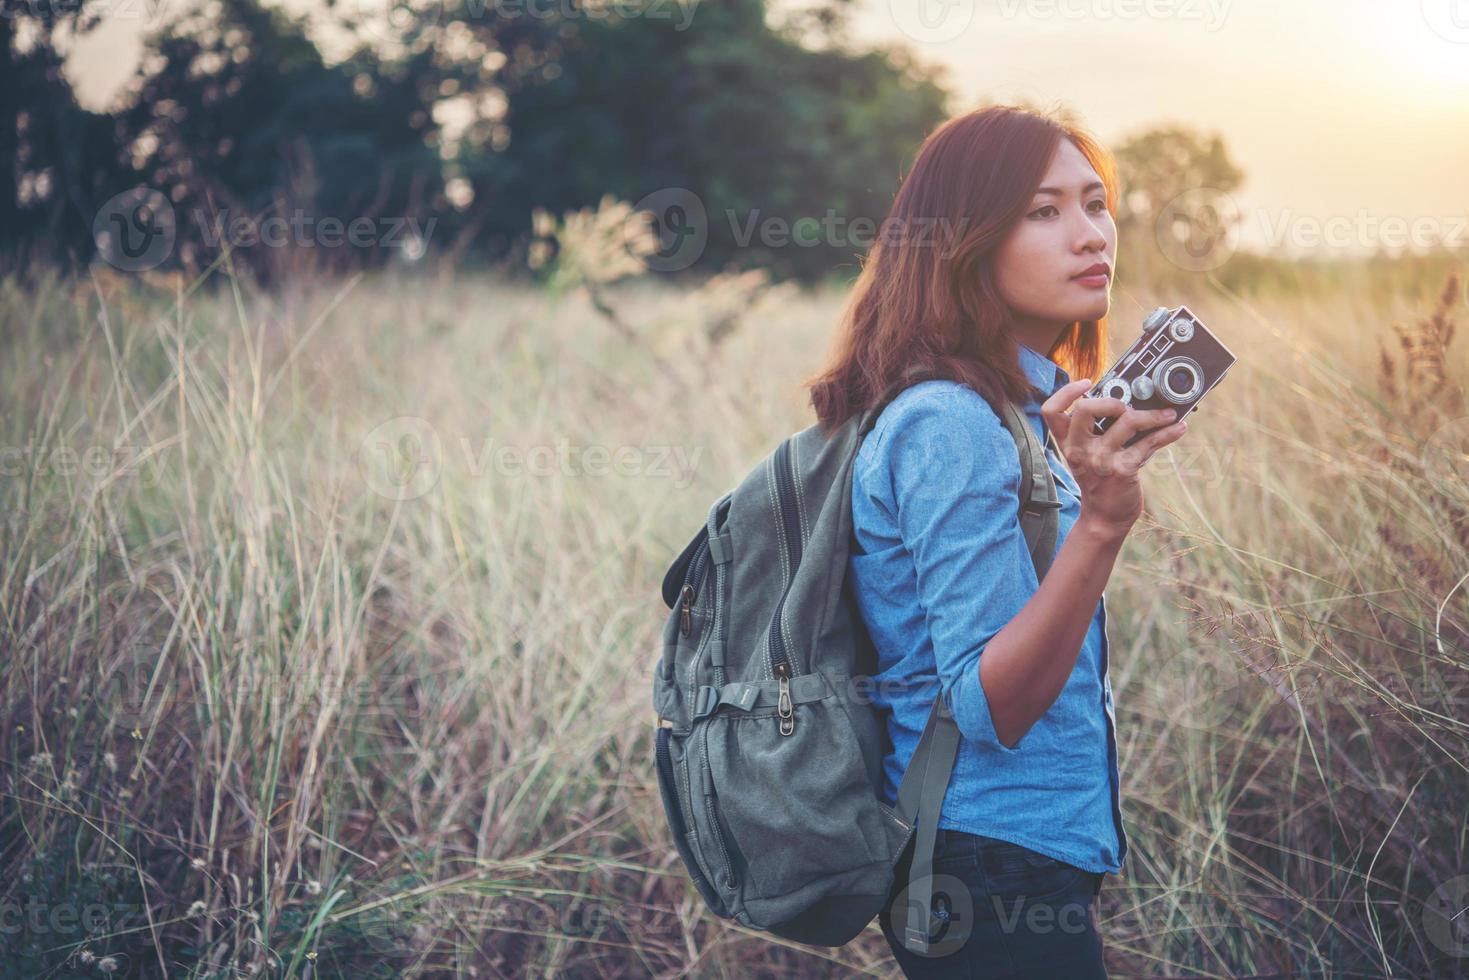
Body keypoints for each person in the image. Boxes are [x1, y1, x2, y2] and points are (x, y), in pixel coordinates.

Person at [803, 105, 1190, 978]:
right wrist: (1100, 522)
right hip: (984, 862)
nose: (1090, 235)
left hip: (1011, 855)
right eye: (1043, 212)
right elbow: (990, 705)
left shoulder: (1024, 411)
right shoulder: (951, 420)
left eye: (1096, 204)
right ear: (963, 242)